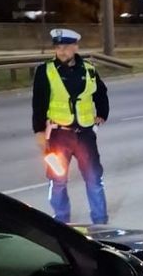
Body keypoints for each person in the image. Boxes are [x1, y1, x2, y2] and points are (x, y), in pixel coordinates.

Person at [31, 28, 110, 225]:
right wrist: (39, 131)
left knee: (94, 179)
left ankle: (100, 223)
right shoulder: (45, 71)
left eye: (66, 47)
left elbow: (101, 93)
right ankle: (61, 221)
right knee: (57, 180)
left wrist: (102, 113)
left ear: (75, 47)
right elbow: (38, 103)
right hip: (58, 137)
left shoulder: (89, 70)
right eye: (58, 47)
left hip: (85, 135)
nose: (62, 51)